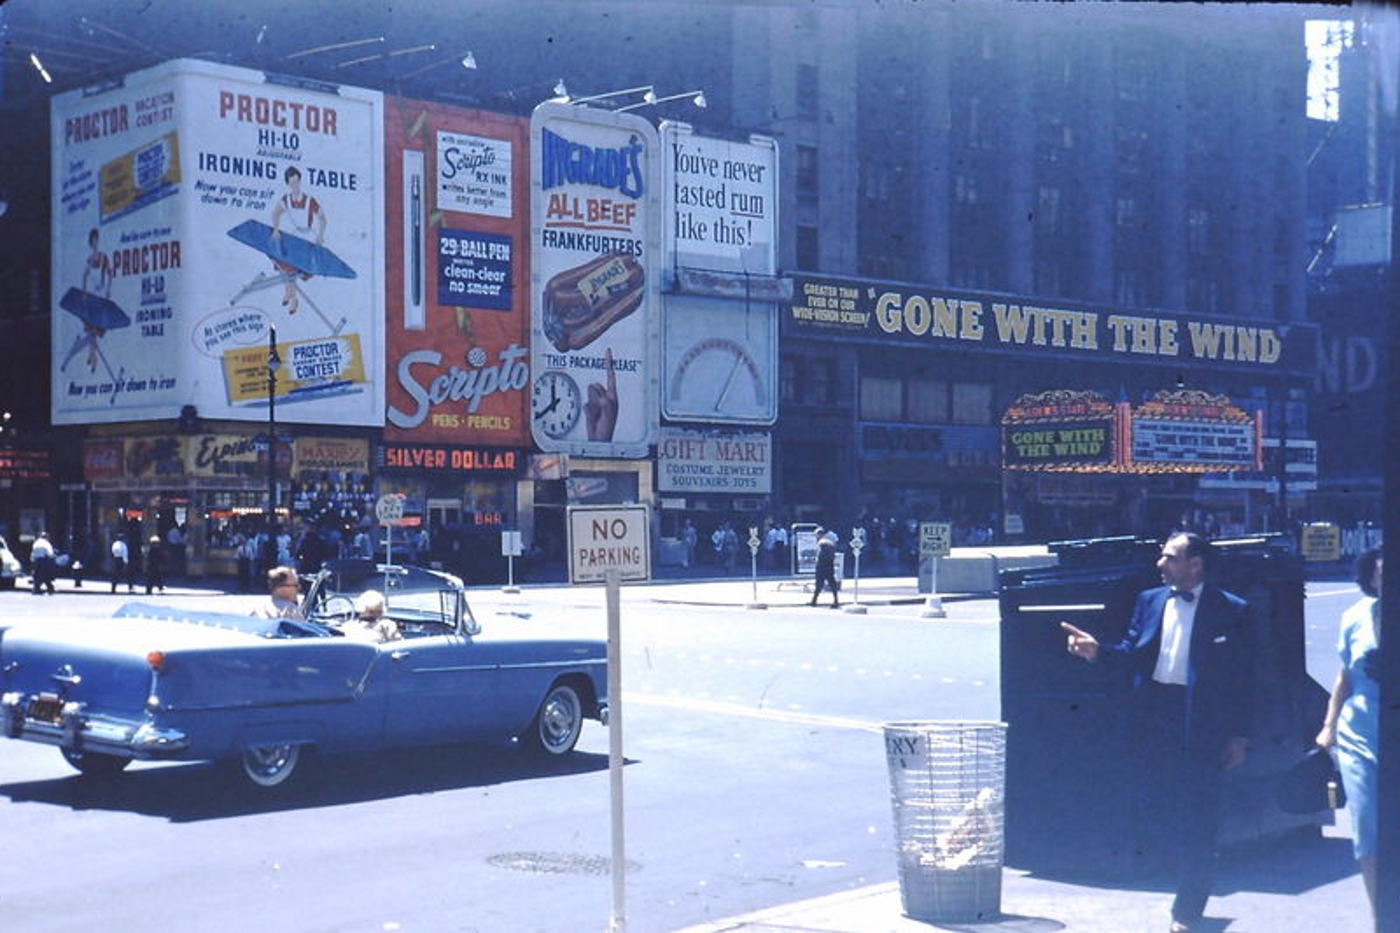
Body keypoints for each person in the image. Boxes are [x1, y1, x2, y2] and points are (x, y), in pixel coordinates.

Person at [1060, 532, 1251, 933]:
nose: (1160, 564)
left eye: (1169, 557)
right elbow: (1132, 652)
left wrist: (1239, 736)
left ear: (1195, 564)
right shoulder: (1149, 601)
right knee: (1162, 806)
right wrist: (1098, 651)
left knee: (1199, 815)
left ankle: (1187, 907)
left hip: (1201, 720)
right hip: (1156, 715)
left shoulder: (1231, 610)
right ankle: (1179, 882)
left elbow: (1246, 680)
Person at [1316, 546, 1382, 920]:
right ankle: (1382, 918)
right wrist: (1329, 725)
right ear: (1371, 578)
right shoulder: (1353, 617)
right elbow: (1344, 676)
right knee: (1367, 823)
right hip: (1362, 733)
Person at [810, 528, 840, 608]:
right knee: (832, 583)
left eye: (816, 535)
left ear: (820, 534)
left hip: (821, 566)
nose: (815, 536)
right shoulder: (830, 542)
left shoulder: (821, 543)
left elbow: (819, 554)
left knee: (819, 584)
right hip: (829, 565)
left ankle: (814, 601)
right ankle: (836, 600)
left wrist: (816, 561)